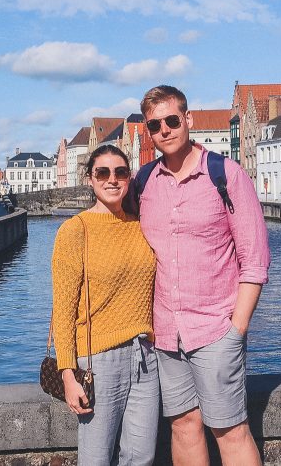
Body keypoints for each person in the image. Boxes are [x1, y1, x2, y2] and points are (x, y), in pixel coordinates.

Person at [137, 85, 270, 466]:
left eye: (172, 120)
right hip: (165, 332)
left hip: (214, 329)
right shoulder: (144, 183)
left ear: (188, 119)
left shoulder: (224, 175)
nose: (164, 130)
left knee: (229, 430)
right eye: (155, 125)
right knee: (183, 425)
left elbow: (255, 259)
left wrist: (236, 329)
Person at [51, 144, 160, 466]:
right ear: (90, 179)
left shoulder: (142, 226)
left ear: (129, 178)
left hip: (145, 356)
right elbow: (63, 309)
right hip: (97, 360)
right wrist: (68, 375)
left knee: (141, 456)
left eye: (120, 172)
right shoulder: (75, 230)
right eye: (103, 172)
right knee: (96, 458)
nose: (112, 180)